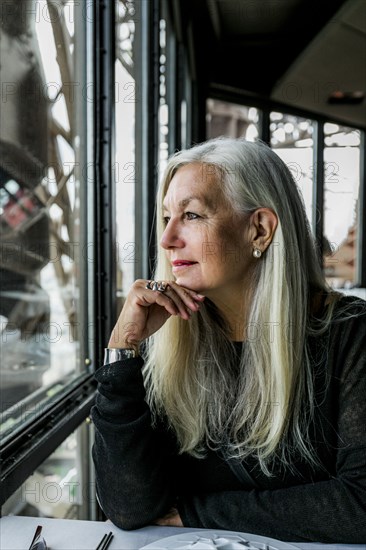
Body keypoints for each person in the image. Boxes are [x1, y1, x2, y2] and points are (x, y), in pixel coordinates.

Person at [91, 137, 366, 543]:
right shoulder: (165, 336)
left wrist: (195, 512)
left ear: (259, 229)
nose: (167, 240)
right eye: (167, 217)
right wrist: (122, 347)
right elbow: (130, 507)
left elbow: (359, 505)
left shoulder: (351, 335)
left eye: (191, 215)